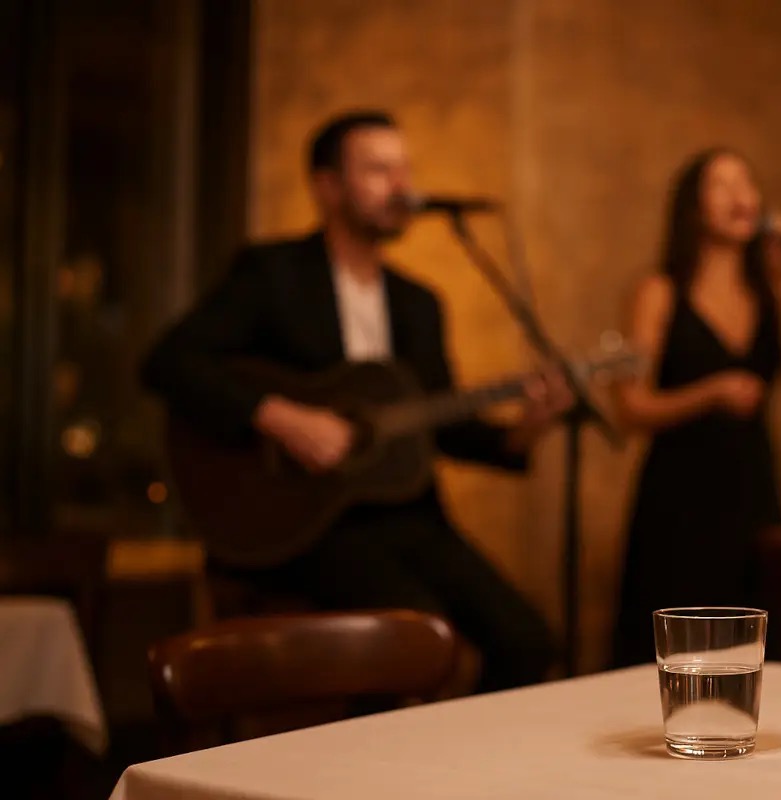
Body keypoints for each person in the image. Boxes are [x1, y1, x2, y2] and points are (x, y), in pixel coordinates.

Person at [141, 110, 572, 692]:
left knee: (527, 641)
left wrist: (527, 429)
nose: (402, 186)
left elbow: (440, 423)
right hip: (307, 521)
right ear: (327, 186)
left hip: (410, 516)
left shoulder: (418, 303)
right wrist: (278, 415)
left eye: (404, 168)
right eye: (378, 169)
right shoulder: (274, 275)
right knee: (413, 639)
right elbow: (168, 362)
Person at [610, 148, 781, 666]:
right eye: (721, 185)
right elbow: (629, 408)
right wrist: (709, 392)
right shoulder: (659, 292)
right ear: (692, 207)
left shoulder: (771, 291)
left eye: (747, 183)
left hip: (751, 488)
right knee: (675, 647)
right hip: (677, 496)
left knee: (749, 644)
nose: (740, 197)